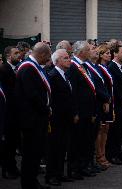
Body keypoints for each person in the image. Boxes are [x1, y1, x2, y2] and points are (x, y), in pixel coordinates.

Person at [15, 42, 52, 189]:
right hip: (31, 119)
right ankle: (28, 183)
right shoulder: (28, 68)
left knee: (36, 151)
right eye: (48, 56)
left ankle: (33, 181)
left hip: (38, 117)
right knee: (31, 153)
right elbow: (33, 95)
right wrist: (45, 108)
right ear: (42, 54)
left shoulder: (34, 67)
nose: (48, 60)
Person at [45, 49, 74, 186]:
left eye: (68, 57)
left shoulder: (65, 74)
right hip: (56, 118)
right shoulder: (52, 75)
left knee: (63, 147)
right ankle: (51, 175)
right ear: (57, 61)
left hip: (66, 118)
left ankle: (59, 173)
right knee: (54, 148)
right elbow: (52, 99)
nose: (69, 60)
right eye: (65, 58)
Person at [68, 41, 97, 179]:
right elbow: (73, 91)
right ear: (80, 52)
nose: (90, 52)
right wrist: (76, 111)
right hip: (80, 110)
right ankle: (75, 168)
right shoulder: (73, 66)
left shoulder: (84, 66)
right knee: (77, 142)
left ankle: (83, 166)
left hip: (88, 110)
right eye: (87, 50)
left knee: (86, 140)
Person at [0, 46, 21, 179]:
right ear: (8, 56)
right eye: (16, 53)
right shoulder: (4, 70)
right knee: (8, 143)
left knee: (14, 142)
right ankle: (7, 168)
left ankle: (12, 166)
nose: (19, 55)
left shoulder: (17, 68)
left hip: (16, 113)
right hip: (8, 112)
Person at [94, 44, 113, 168]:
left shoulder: (106, 67)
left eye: (109, 53)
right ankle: (99, 156)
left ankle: (103, 154)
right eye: (106, 53)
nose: (109, 55)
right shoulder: (99, 68)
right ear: (101, 55)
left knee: (106, 129)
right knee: (100, 130)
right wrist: (106, 99)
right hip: (102, 102)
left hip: (108, 100)